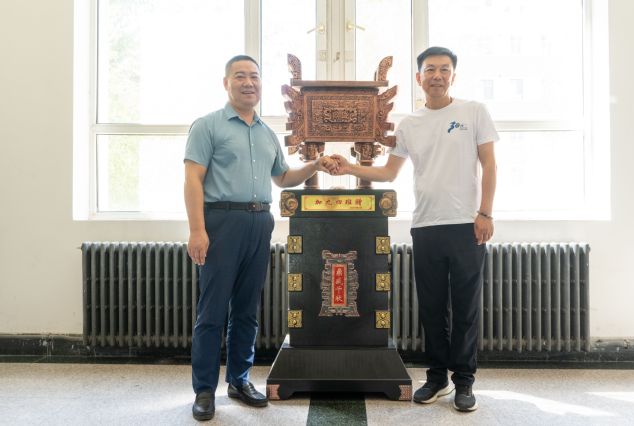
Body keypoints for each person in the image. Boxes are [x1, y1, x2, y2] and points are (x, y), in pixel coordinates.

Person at [330, 46, 497, 412]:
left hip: (467, 225)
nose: (437, 75)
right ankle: (436, 378)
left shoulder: (473, 112)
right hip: (426, 226)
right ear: (419, 77)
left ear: (453, 75)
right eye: (430, 69)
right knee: (433, 308)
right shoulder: (410, 123)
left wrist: (485, 213)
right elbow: (389, 172)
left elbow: (489, 164)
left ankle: (464, 381)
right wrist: (350, 168)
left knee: (465, 308)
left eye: (444, 69)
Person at [184, 54, 336, 421]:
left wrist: (314, 165)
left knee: (247, 309)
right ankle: (204, 390)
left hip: (259, 222)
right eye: (240, 76)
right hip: (221, 222)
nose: (248, 82)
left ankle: (239, 380)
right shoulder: (207, 126)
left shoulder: (267, 133)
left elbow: (282, 178)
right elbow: (192, 179)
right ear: (226, 83)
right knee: (212, 311)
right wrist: (197, 229)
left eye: (254, 76)